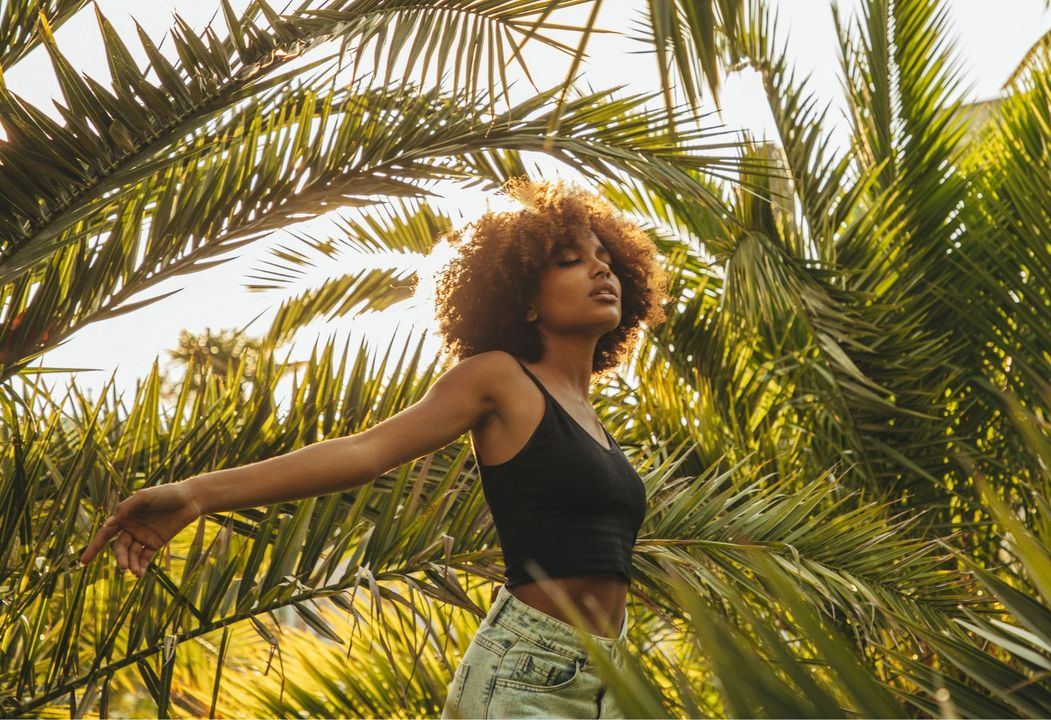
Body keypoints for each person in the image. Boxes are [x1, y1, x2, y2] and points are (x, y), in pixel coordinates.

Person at [78, 178, 671, 718]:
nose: (602, 272)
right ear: (524, 300)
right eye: (572, 261)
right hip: (526, 672)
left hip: (606, 676)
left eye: (607, 261)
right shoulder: (498, 378)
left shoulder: (589, 416)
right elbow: (365, 452)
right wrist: (195, 495)